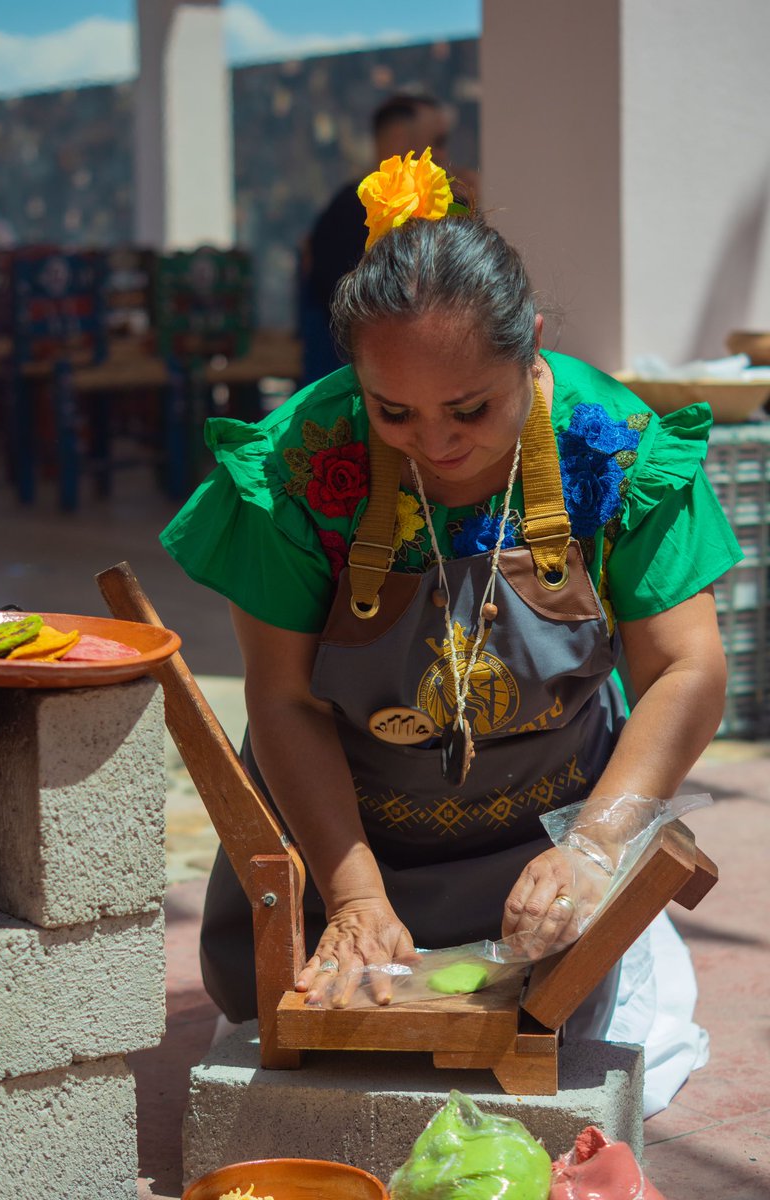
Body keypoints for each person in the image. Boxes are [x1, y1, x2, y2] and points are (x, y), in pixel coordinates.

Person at [161, 151, 742, 1114]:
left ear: (533, 348)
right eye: (394, 412)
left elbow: (686, 668)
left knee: (551, 1021)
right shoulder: (306, 458)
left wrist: (594, 848)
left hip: (541, 868)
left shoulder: (614, 443)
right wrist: (352, 897)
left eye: (471, 409)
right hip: (340, 850)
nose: (436, 444)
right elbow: (286, 700)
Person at [300, 92, 453, 383]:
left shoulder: (352, 206)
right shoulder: (352, 211)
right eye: (438, 142)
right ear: (398, 138)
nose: (444, 156)